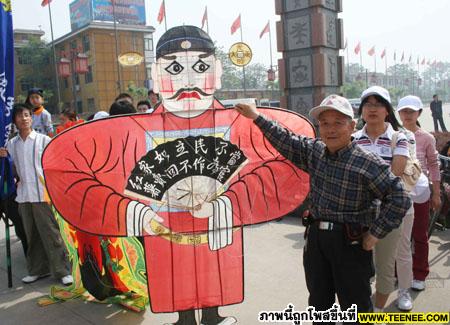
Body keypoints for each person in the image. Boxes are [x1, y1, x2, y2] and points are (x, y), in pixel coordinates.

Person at [42, 25, 313, 325]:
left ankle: (214, 316)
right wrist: (128, 209)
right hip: (162, 225)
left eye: (200, 67)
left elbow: (287, 159)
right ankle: (183, 319)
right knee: (175, 278)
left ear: (218, 72)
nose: (188, 80)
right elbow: (65, 165)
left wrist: (230, 202)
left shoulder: (239, 124)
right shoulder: (135, 130)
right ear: (156, 76)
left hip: (217, 221)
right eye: (173, 68)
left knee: (216, 275)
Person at [235, 94, 411, 320]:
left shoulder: (367, 162)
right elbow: (285, 139)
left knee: (355, 307)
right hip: (316, 241)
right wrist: (255, 116)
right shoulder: (315, 151)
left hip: (350, 242)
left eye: (338, 123)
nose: (330, 129)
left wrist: (375, 234)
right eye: (325, 123)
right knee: (319, 302)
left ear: (352, 126)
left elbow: (399, 198)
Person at [352, 86, 414, 311]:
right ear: (361, 110)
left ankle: (376, 312)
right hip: (359, 214)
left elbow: (394, 174)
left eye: (378, 104)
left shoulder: (400, 138)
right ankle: (359, 309)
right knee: (357, 268)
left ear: (387, 110)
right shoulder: (353, 138)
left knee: (385, 268)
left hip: (388, 214)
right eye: (368, 104)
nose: (372, 109)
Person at [0, 103, 72, 285]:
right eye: (19, 116)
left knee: (51, 233)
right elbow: (12, 169)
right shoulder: (11, 144)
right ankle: (37, 270)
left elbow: (55, 165)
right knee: (30, 234)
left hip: (42, 193)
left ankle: (63, 270)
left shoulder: (43, 140)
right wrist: (3, 158)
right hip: (24, 195)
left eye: (26, 115)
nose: (23, 118)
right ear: (14, 121)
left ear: (31, 118)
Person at [397, 95, 441, 292]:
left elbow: (433, 165)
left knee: (420, 235)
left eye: (411, 111)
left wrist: (437, 193)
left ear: (419, 113)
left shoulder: (427, 138)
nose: (407, 115)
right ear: (398, 113)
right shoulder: (394, 134)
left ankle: (420, 272)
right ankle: (399, 272)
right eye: (404, 111)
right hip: (398, 193)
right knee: (398, 236)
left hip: (420, 192)